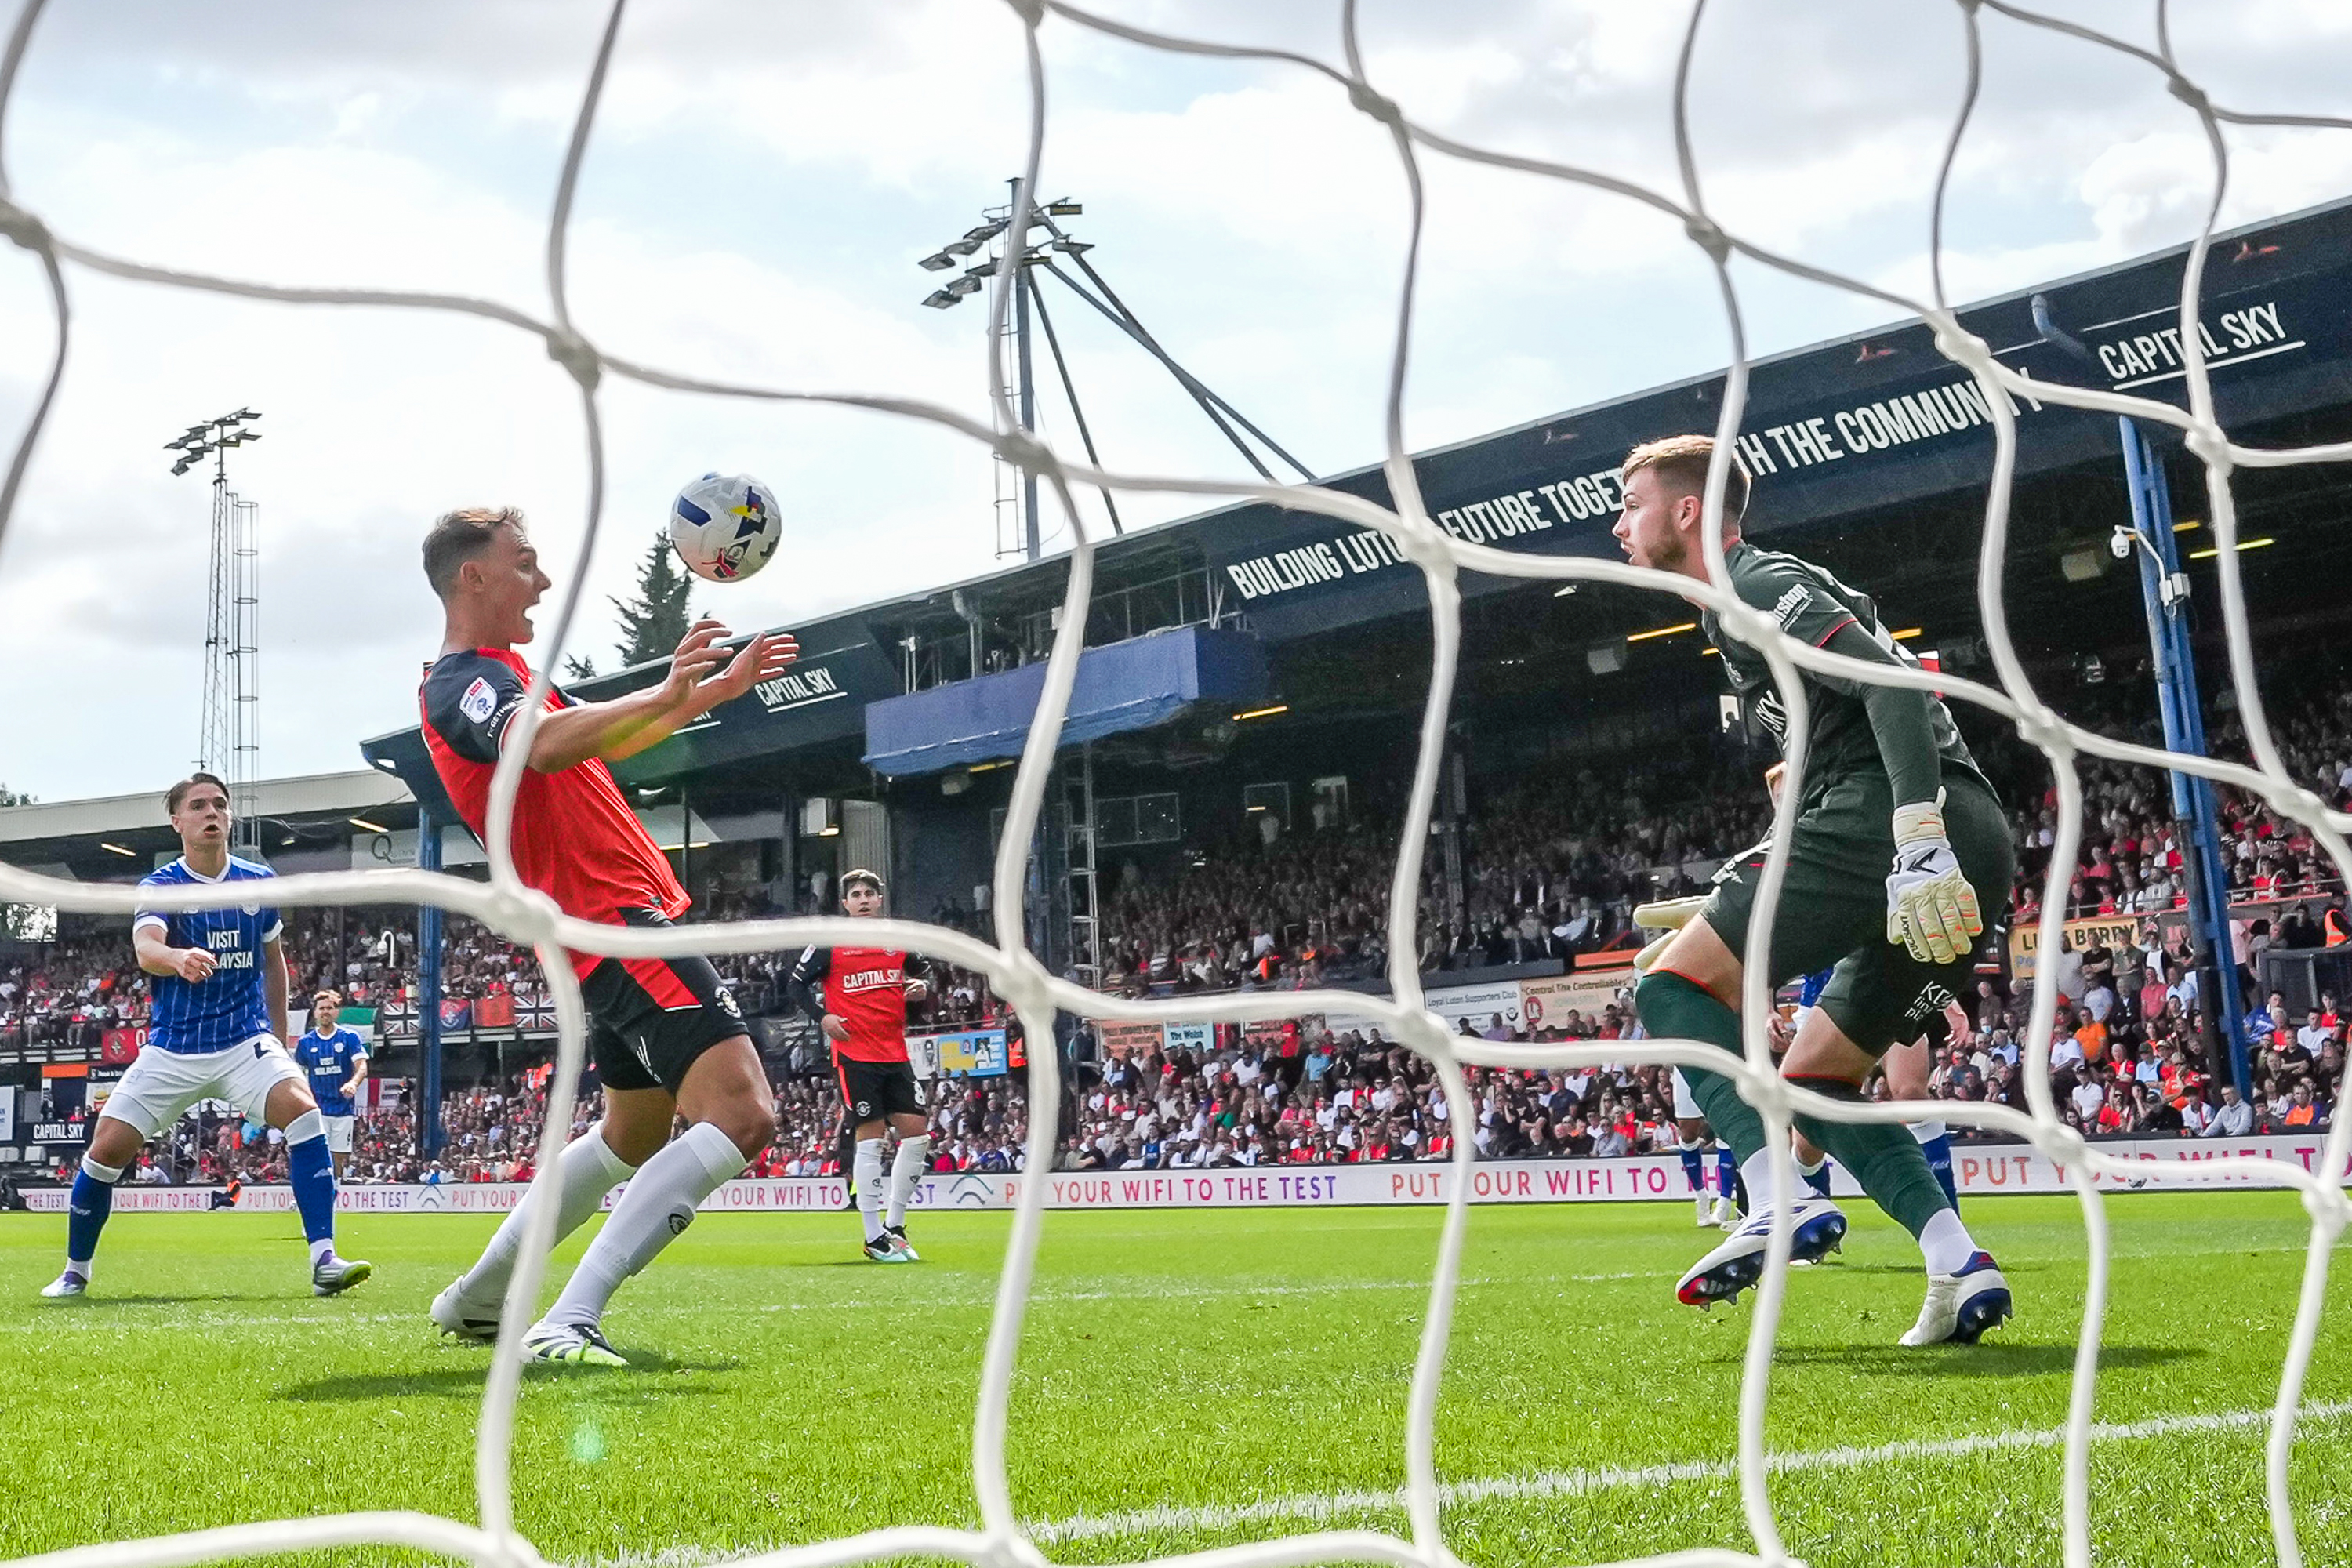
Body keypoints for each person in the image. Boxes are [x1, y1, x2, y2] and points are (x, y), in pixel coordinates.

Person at [1613, 434, 2013, 1347]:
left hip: (1900, 824)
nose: (1619, 524)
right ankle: (1958, 1261)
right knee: (1817, 1077)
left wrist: (1912, 830)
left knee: (1670, 986)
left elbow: (1890, 684)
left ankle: (1775, 1195)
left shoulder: (1754, 582)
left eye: (1633, 503)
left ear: (1686, 511)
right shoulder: (1737, 615)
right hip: (1974, 843)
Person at [416, 506, 797, 1366]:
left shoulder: (513, 673)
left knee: (632, 1132)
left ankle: (476, 1298)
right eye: (525, 564)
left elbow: (598, 741)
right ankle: (568, 1318)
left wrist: (705, 695)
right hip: (611, 919)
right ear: (472, 576)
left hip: (596, 924)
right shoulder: (462, 682)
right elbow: (542, 748)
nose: (542, 582)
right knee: (743, 1110)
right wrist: (665, 689)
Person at [42, 774, 370, 1300]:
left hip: (245, 1042)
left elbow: (274, 964)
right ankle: (75, 1271)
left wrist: (281, 1042)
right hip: (173, 1048)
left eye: (220, 804)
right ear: (178, 822)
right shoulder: (162, 887)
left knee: (305, 1111)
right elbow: (147, 950)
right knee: (106, 1148)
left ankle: (324, 1259)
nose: (212, 812)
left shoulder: (257, 882)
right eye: (198, 805)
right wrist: (177, 958)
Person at [789, 870, 933, 1261]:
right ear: (846, 904)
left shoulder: (897, 940)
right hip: (855, 1054)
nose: (865, 899)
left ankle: (896, 1227)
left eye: (871, 893)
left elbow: (924, 971)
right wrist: (822, 1017)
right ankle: (873, 1236)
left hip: (895, 1053)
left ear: (881, 900)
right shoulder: (830, 943)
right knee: (871, 1140)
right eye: (856, 894)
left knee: (917, 1136)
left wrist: (921, 988)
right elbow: (796, 985)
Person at [292, 989, 369, 1178]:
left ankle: (333, 1192)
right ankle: (311, 1193)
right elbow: (297, 1072)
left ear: (336, 1012)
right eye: (322, 1008)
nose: (326, 1011)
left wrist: (353, 1083)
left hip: (343, 1109)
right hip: (317, 1109)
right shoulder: (306, 1042)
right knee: (317, 1154)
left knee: (339, 1157)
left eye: (330, 1008)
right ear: (315, 1012)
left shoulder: (349, 1037)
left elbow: (362, 1067)